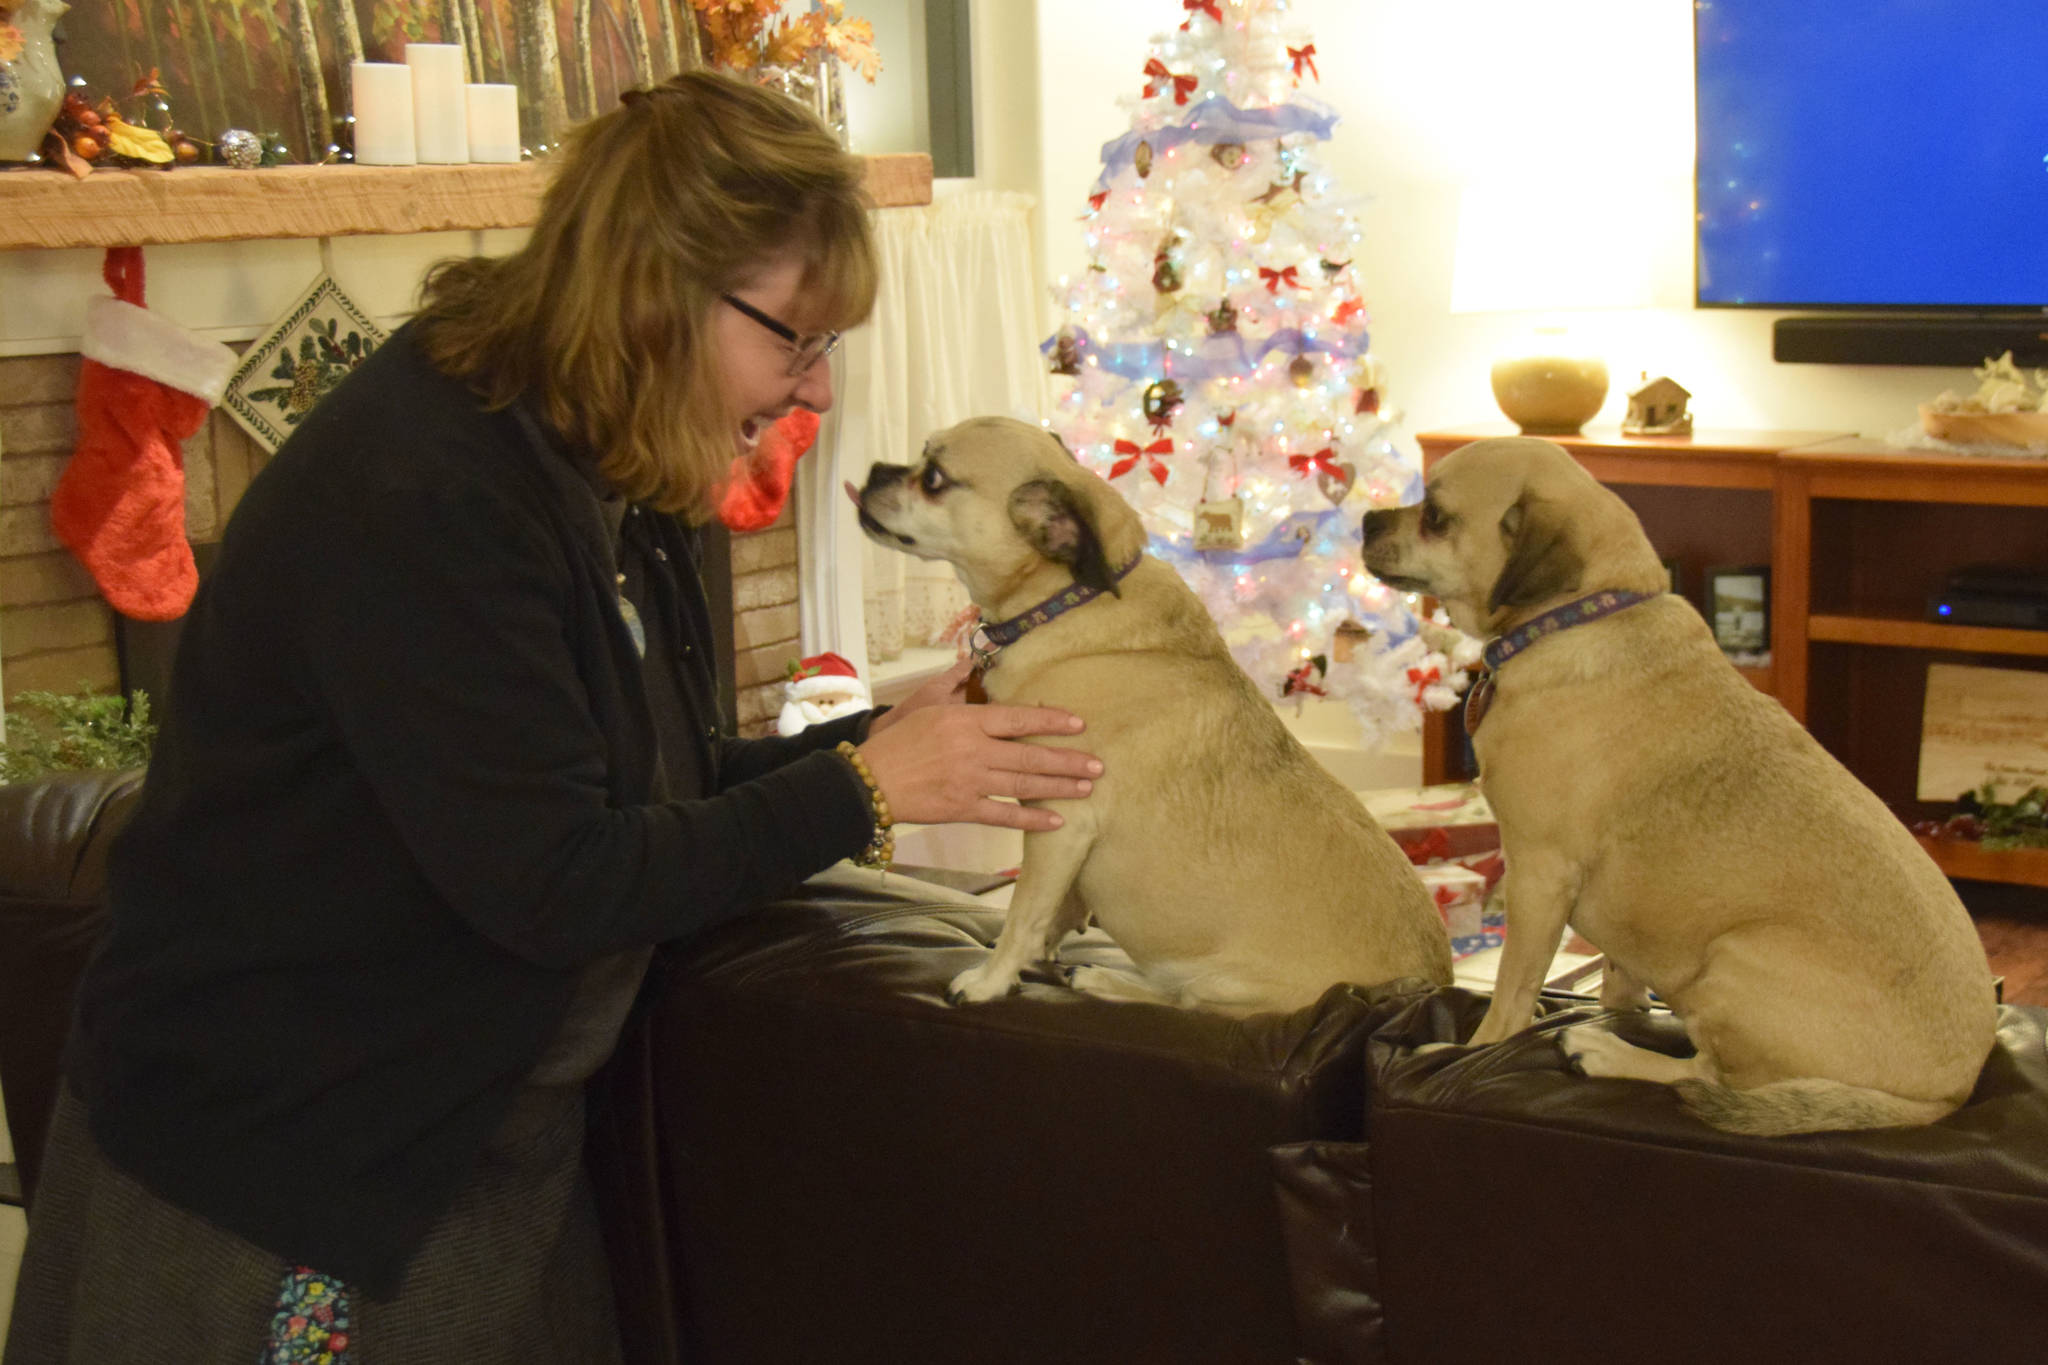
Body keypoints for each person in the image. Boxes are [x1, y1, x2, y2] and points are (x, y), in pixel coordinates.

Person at [4, 71, 1100, 1365]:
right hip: (294, 1186)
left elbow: (656, 785)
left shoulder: (605, 471)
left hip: (471, 1151)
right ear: (657, 293)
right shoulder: (428, 496)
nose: (812, 393)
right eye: (793, 341)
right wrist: (862, 791)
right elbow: (554, 878)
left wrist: (881, 743)